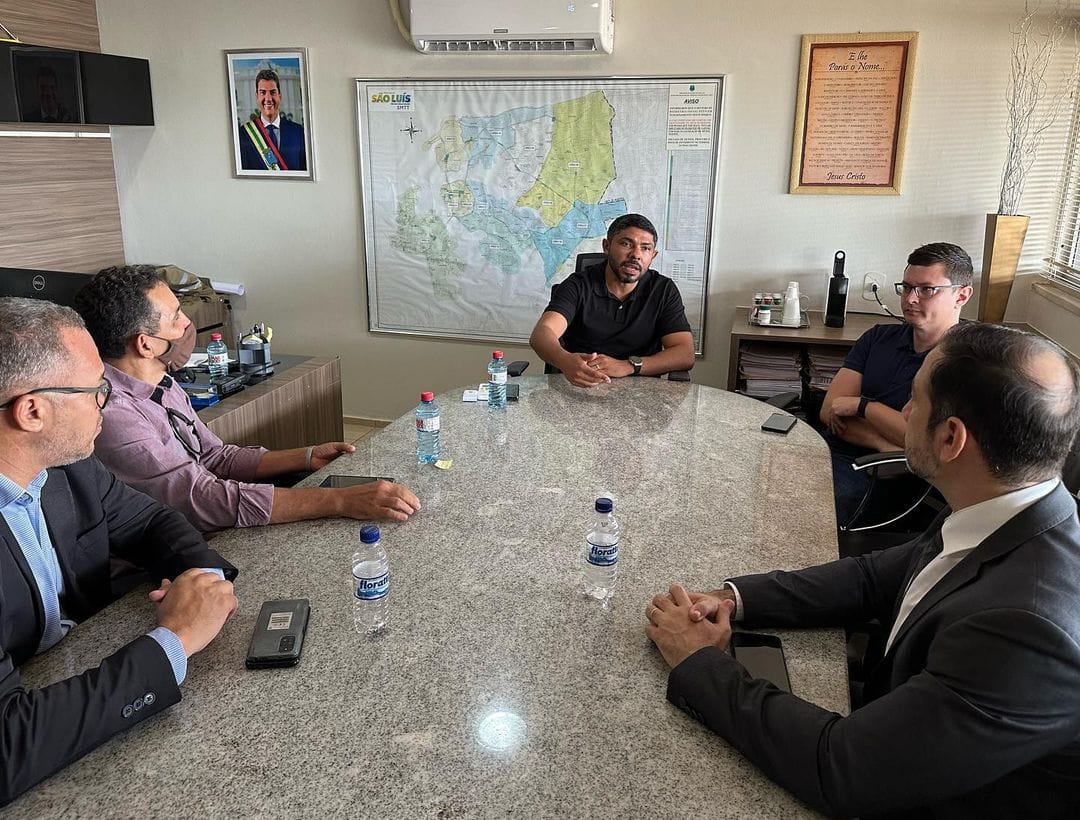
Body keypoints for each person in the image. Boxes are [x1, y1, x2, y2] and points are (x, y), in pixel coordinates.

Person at [645, 322, 1080, 818]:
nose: (905, 413)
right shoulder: (1007, 506)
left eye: (915, 400)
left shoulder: (1028, 629)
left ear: (950, 438)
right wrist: (731, 598)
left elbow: (841, 769)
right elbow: (872, 578)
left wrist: (700, 660)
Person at [0, 297, 239, 805]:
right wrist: (176, 638)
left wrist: (203, 583)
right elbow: (9, 745)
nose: (107, 404)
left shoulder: (66, 466)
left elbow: (151, 521)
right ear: (32, 411)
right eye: (96, 390)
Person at [74, 266, 420, 537]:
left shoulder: (159, 381)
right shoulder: (112, 414)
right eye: (176, 316)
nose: (187, 323)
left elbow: (214, 457)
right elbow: (200, 498)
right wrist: (340, 501)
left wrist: (305, 456)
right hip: (173, 550)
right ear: (146, 344)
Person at [819, 242, 973, 525]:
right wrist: (881, 441)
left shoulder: (965, 360)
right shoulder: (877, 337)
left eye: (926, 290)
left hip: (890, 476)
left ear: (961, 295)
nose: (910, 299)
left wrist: (863, 407)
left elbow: (928, 444)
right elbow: (831, 410)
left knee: (800, 505)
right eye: (907, 287)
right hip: (834, 449)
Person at [529, 213, 695, 388]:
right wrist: (565, 361)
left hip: (641, 392)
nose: (636, 255)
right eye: (626, 244)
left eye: (645, 248)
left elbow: (684, 353)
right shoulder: (578, 285)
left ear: (653, 256)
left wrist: (628, 366)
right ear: (607, 246)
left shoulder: (663, 290)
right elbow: (542, 334)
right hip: (582, 385)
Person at [237, 68, 307, 172]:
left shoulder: (298, 132)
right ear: (257, 97)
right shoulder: (244, 134)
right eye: (263, 92)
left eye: (273, 92)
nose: (268, 98)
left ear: (280, 96)